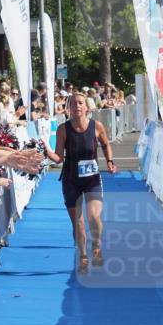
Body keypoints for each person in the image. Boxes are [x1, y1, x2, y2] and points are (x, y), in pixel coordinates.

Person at [43, 92, 116, 272]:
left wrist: (110, 161)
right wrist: (46, 151)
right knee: (78, 222)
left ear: (87, 107)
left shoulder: (96, 126)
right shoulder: (63, 129)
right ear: (69, 108)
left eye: (80, 103)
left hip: (92, 179)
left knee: (93, 216)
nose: (77, 106)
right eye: (73, 103)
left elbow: (106, 144)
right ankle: (83, 256)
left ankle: (96, 247)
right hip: (71, 180)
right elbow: (58, 158)